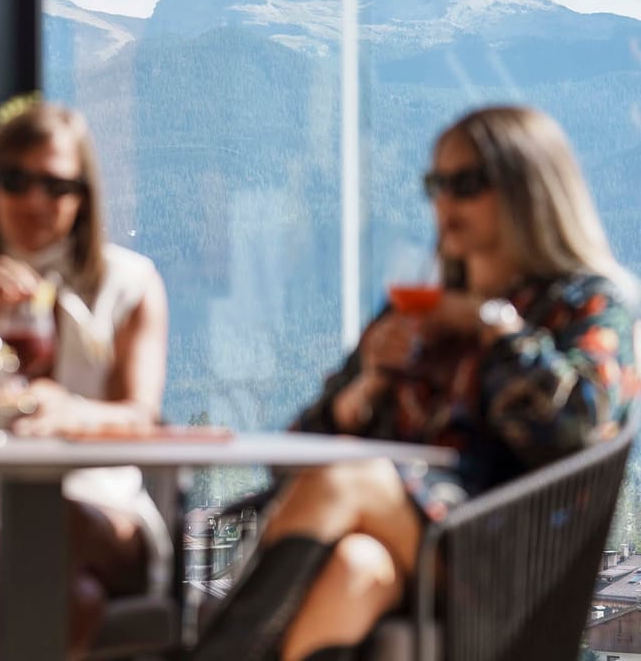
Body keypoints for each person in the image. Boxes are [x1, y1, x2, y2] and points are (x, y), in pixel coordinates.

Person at [194, 105, 640, 661]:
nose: (445, 201)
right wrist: (368, 387)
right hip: (414, 551)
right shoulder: (416, 311)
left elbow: (574, 426)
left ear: (530, 191)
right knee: (357, 566)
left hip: (515, 561)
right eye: (437, 183)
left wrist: (490, 326)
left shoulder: (587, 304)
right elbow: (295, 457)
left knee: (345, 479)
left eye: (467, 183)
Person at [0, 102, 171, 660]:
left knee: (53, 527)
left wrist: (72, 413)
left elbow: (141, 415)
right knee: (73, 596)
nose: (35, 201)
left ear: (83, 196)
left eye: (56, 185)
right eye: (16, 180)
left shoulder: (128, 284)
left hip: (103, 509)